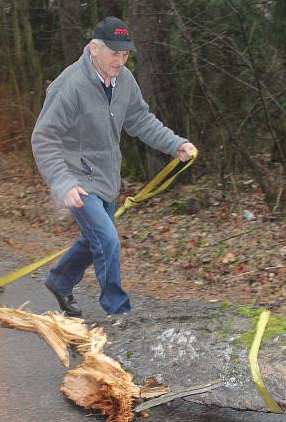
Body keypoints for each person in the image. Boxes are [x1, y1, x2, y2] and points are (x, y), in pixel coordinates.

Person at [31, 16, 197, 317]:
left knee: (96, 239)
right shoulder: (69, 87)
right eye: (114, 53)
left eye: (125, 54)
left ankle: (59, 280)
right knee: (107, 239)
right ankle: (118, 312)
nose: (120, 60)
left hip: (107, 177)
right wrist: (63, 183)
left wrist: (175, 144)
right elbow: (43, 138)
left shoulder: (125, 81)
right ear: (94, 48)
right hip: (78, 180)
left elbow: (140, 120)